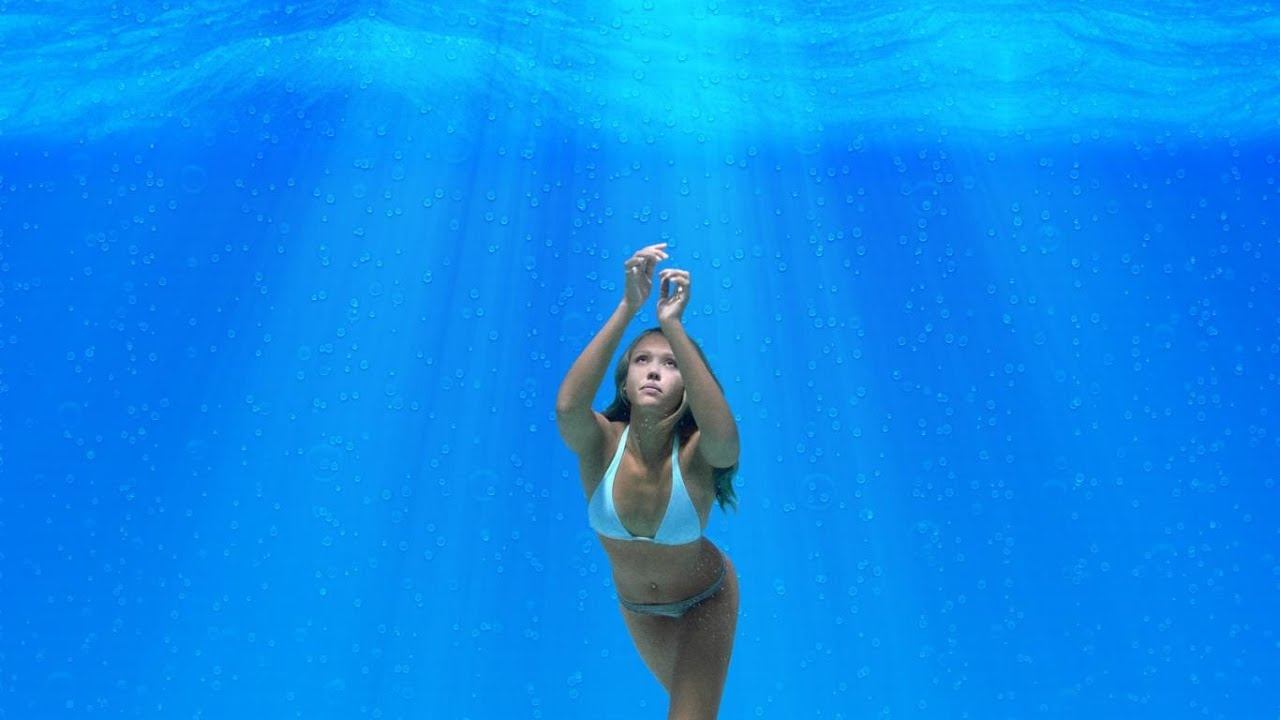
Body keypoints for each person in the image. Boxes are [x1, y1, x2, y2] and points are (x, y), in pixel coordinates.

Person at [555, 242, 741, 719]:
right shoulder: (601, 443)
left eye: (671, 363)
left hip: (706, 598)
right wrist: (627, 306)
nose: (655, 370)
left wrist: (673, 325)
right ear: (624, 382)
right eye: (642, 360)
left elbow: (726, 441)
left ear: (687, 386)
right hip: (639, 609)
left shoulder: (697, 455)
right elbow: (568, 408)